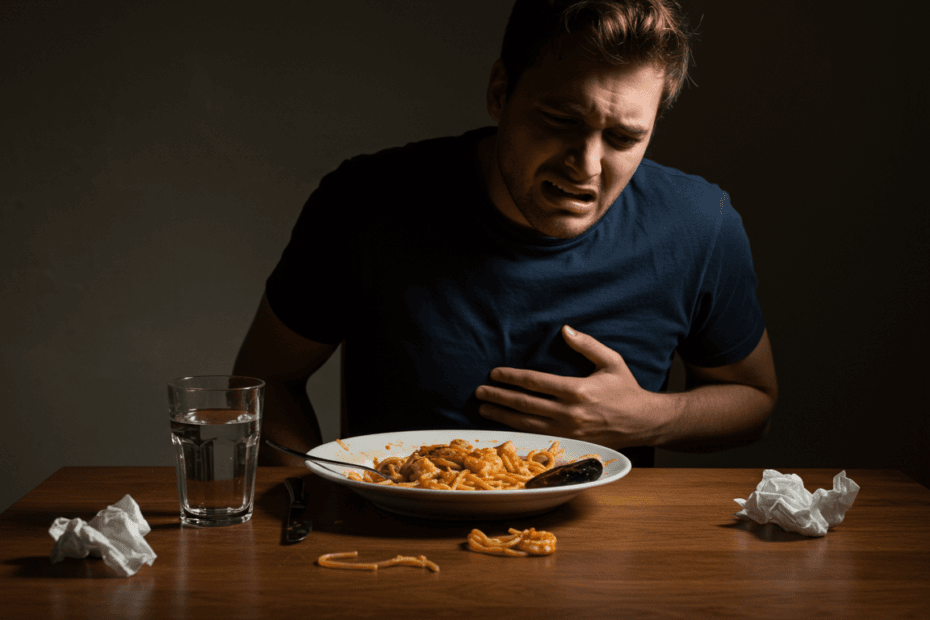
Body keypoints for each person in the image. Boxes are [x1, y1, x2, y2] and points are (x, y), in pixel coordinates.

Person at [234, 0, 778, 467]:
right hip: (399, 552)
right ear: (500, 93)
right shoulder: (363, 202)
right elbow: (262, 385)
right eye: (561, 121)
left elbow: (754, 399)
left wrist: (649, 419)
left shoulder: (700, 223)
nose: (586, 165)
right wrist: (317, 490)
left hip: (608, 569)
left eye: (623, 137)